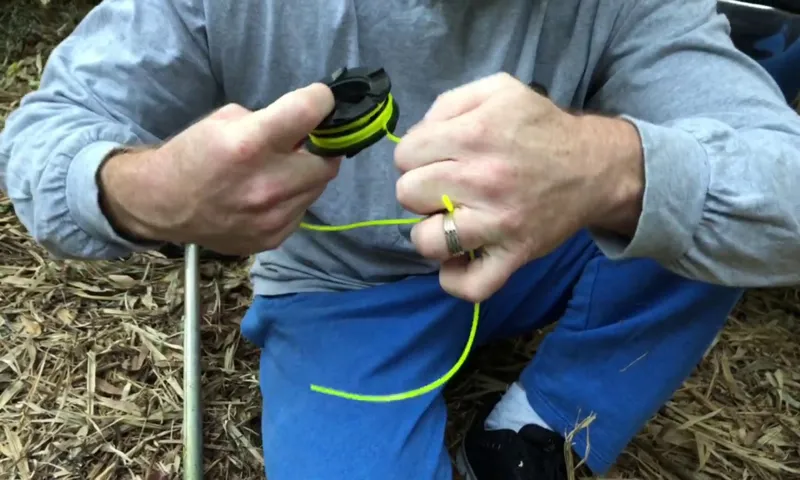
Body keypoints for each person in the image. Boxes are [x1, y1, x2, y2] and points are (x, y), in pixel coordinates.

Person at [1, 0, 799, 479]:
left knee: (708, 203)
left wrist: (612, 166)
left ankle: (544, 419)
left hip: (545, 245)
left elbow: (782, 181)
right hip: (344, 291)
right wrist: (143, 193)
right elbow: (44, 134)